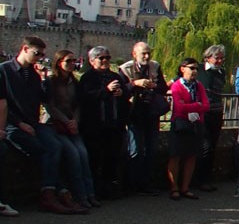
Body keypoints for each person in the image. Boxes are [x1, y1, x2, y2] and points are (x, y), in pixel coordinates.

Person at [2, 37, 74, 214]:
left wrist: (44, 79)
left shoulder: (33, 75)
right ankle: (54, 193)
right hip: (12, 125)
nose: (40, 58)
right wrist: (19, 123)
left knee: (55, 146)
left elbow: (44, 99)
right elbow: (4, 106)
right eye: (37, 53)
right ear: (24, 48)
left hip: (32, 122)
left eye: (42, 55)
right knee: (41, 151)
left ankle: (54, 191)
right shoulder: (5, 70)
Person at [40, 50, 98, 210]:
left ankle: (89, 194)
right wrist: (67, 121)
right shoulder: (51, 82)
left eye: (74, 61)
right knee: (73, 154)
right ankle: (80, 195)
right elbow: (50, 106)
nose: (73, 64)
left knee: (83, 154)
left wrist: (75, 121)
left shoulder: (74, 81)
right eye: (69, 61)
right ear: (59, 63)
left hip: (72, 125)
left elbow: (78, 105)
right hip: (56, 125)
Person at [119, 42, 168, 196]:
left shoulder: (155, 66)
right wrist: (135, 84)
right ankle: (131, 184)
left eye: (148, 53)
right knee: (135, 151)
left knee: (151, 150)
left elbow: (163, 88)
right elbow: (121, 91)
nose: (147, 57)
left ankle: (147, 183)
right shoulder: (125, 69)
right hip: (134, 114)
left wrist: (153, 85)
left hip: (151, 113)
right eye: (143, 54)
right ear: (134, 54)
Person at [78, 46, 126, 200]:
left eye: (107, 57)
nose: (105, 60)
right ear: (92, 61)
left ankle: (109, 189)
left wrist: (121, 94)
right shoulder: (87, 77)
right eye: (101, 58)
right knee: (94, 159)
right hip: (94, 126)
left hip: (113, 125)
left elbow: (126, 96)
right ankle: (93, 191)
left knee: (111, 158)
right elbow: (85, 98)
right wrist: (106, 90)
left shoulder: (115, 76)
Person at [167, 58, 209, 200]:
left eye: (197, 68)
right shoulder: (177, 86)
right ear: (182, 68)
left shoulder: (199, 86)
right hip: (180, 124)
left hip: (196, 124)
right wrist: (196, 105)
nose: (195, 71)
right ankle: (174, 188)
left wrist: (190, 106)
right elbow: (179, 108)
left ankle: (185, 187)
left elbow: (206, 105)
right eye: (192, 68)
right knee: (175, 155)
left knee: (191, 155)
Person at [194, 45, 226, 193]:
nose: (219, 61)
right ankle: (200, 180)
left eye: (221, 58)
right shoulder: (199, 69)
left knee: (212, 147)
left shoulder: (221, 73)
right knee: (205, 147)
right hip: (202, 114)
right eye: (216, 58)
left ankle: (206, 179)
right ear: (208, 57)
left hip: (216, 113)